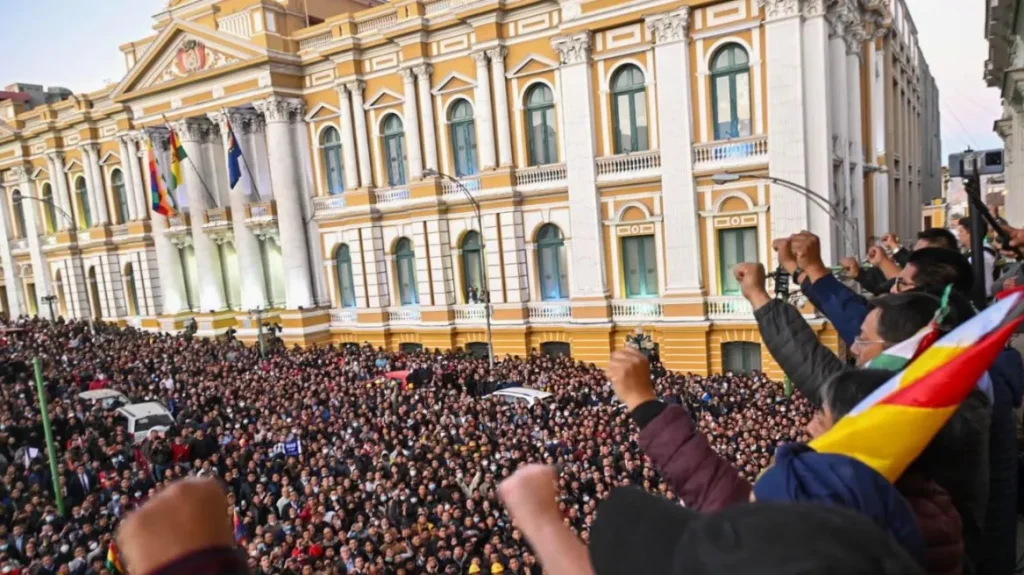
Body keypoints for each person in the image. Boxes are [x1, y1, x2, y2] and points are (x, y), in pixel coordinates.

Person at [957, 217, 997, 294]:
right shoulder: (986, 250)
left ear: (971, 233)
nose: (959, 235)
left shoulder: (977, 257)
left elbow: (987, 289)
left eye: (961, 231)